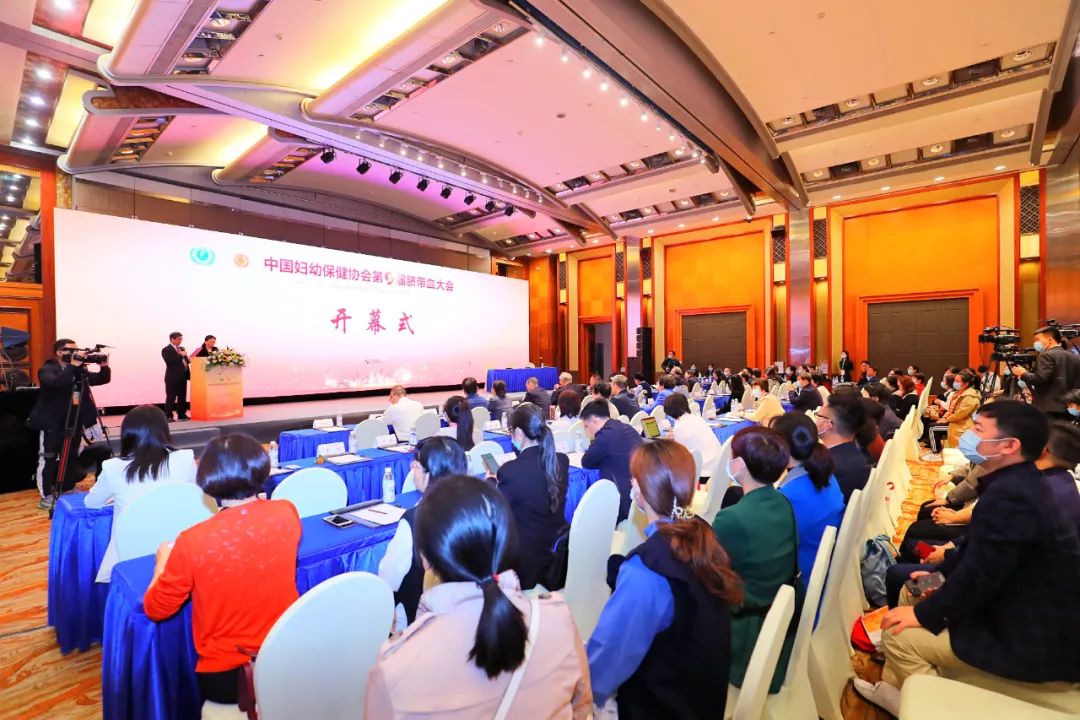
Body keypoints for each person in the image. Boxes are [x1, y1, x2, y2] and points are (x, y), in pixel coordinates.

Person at [856, 402, 1080, 716]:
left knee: (898, 638)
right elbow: (978, 552)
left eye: (978, 430)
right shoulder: (1016, 482)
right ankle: (897, 688)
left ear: (1008, 446)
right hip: (1010, 602)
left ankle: (932, 706)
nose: (968, 437)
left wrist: (925, 615)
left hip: (1029, 636)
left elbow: (981, 575)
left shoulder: (1015, 495)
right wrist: (939, 575)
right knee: (911, 589)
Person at [365, 475, 591, 719]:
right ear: (505, 541)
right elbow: (581, 708)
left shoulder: (395, 668)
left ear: (425, 559)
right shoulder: (558, 620)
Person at [143, 434, 301, 709]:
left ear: (207, 479)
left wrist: (161, 564)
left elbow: (156, 609)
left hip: (230, 677)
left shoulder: (192, 541)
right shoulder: (287, 512)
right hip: (287, 657)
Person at [587, 441, 742, 718]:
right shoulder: (705, 537)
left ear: (639, 489)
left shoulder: (646, 571)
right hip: (702, 700)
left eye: (634, 478)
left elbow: (601, 669)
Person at [712, 426, 800, 693]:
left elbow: (707, 575)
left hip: (743, 637)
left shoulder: (732, 518)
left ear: (738, 465)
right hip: (777, 625)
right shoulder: (783, 501)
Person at [85, 405, 197, 581]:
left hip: (131, 556)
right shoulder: (185, 458)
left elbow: (91, 503)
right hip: (177, 551)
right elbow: (196, 496)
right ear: (164, 431)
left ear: (127, 434)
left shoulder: (113, 467)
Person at [379, 436, 467, 626]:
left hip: (418, 619)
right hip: (465, 610)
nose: (411, 466)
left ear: (429, 474)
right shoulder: (472, 507)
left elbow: (389, 578)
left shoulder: (414, 519)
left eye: (417, 464)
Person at [29, 338, 112, 509]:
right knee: (48, 458)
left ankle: (68, 488)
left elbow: (101, 379)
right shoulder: (47, 369)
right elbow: (55, 382)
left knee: (70, 456)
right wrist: (73, 367)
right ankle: (46, 495)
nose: (75, 353)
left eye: (76, 350)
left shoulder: (78, 370)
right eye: (70, 350)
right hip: (51, 423)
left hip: (73, 421)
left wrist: (104, 366)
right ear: (59, 352)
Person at [496, 403, 568, 589]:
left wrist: (490, 483)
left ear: (519, 432)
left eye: (511, 431)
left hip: (526, 566)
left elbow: (497, 513)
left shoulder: (510, 471)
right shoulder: (561, 461)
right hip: (558, 556)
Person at [771, 412, 845, 579]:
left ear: (782, 448)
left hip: (801, 577)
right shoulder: (826, 474)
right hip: (825, 566)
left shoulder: (788, 496)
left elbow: (769, 547)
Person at [580, 400, 644, 521]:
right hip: (640, 492)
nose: (587, 431)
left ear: (595, 420)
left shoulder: (605, 435)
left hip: (622, 500)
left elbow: (586, 461)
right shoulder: (626, 427)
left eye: (587, 427)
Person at [1011, 325, 1080, 417]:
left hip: (1049, 408)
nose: (1035, 343)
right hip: (1070, 407)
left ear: (1050, 339)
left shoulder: (1046, 355)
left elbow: (1040, 379)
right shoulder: (1074, 357)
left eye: (1037, 339)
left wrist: (1023, 373)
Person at [816, 393, 870, 503]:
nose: (816, 420)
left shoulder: (826, 467)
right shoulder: (859, 454)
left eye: (818, 415)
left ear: (827, 424)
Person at [663, 393, 721, 479]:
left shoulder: (680, 427)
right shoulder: (697, 418)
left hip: (703, 473)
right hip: (718, 466)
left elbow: (680, 454)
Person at [936, 369, 981, 450]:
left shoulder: (970, 397)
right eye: (954, 381)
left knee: (960, 452)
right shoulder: (957, 393)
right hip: (955, 425)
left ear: (966, 384)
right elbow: (951, 409)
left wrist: (947, 419)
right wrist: (944, 417)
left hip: (964, 427)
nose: (954, 383)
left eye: (957, 381)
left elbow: (960, 414)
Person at [161, 331, 190, 421]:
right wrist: (181, 355)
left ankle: (181, 414)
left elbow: (185, 361)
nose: (180, 341)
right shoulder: (166, 349)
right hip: (172, 377)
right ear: (172, 339)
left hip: (183, 376)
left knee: (182, 397)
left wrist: (187, 358)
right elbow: (170, 361)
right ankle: (168, 416)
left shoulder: (181, 348)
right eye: (178, 339)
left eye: (181, 339)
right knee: (171, 397)